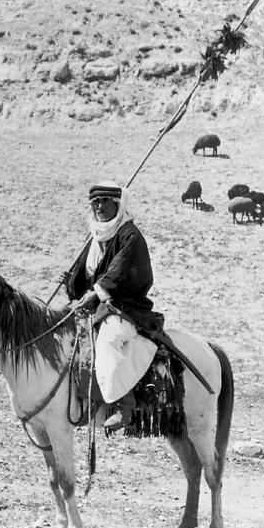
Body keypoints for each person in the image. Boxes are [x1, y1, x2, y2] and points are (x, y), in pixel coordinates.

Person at [65, 181, 160, 431]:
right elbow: (88, 275)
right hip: (97, 307)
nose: (98, 206)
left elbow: (120, 270)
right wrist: (73, 281)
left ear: (117, 205)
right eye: (95, 202)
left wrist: (97, 293)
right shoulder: (96, 237)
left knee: (108, 340)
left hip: (126, 308)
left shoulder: (130, 236)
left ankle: (123, 406)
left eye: (104, 201)